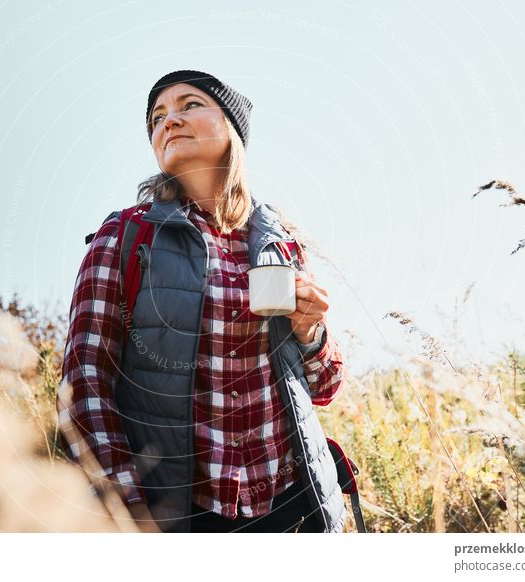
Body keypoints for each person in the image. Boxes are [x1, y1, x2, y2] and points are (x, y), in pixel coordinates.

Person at [57, 70, 348, 533]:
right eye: (157, 117)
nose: (169, 121)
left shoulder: (282, 244)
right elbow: (84, 385)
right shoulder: (124, 236)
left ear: (231, 127)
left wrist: (310, 331)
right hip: (183, 517)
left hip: (295, 508)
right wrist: (129, 512)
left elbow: (325, 387)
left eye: (189, 105)